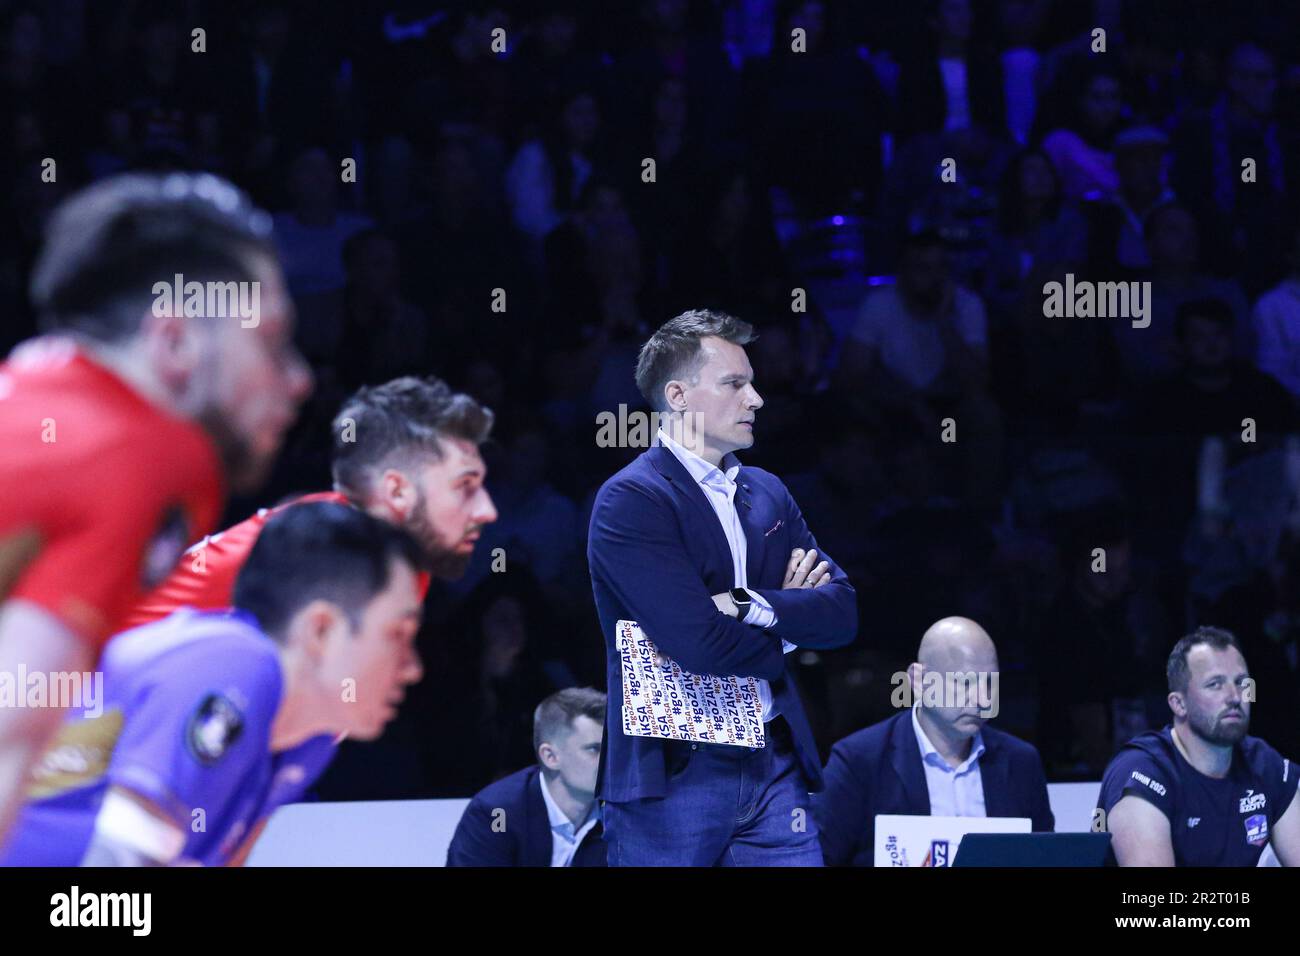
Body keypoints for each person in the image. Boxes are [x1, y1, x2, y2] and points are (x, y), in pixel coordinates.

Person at [0, 172, 312, 845]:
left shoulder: (39, 388)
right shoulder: (145, 453)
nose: (298, 379)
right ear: (174, 342)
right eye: (270, 342)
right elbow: (9, 740)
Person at [0, 502, 425, 866]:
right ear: (321, 631)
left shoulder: (307, 741)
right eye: (398, 635)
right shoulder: (235, 663)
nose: (412, 668)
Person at [588, 309, 857, 866]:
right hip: (676, 768)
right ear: (679, 396)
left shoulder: (767, 491)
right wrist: (789, 625)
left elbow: (842, 613)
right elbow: (698, 643)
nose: (755, 399)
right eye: (735, 384)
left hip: (773, 755)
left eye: (752, 383)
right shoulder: (633, 499)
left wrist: (748, 605)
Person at [124, 375, 498, 628]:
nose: (487, 511)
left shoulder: (407, 560)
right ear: (398, 491)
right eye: (463, 486)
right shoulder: (328, 547)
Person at [815, 617, 1053, 866]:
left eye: (990, 683)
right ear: (919, 680)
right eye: (966, 682)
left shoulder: (1022, 762)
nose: (983, 700)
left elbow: (1046, 859)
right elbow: (817, 859)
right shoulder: (859, 761)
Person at [1097, 627, 1300, 867]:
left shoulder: (1264, 764)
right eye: (1215, 684)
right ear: (1178, 704)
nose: (1235, 697)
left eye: (1242, 683)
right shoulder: (1143, 772)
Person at [446, 687, 606, 867]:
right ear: (550, 757)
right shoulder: (497, 813)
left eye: (612, 749)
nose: (611, 760)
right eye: (594, 749)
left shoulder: (623, 812)